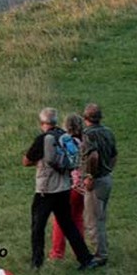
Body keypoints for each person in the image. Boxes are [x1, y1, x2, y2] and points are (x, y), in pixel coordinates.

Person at [22, 107, 98, 270]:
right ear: (55, 121)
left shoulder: (43, 138)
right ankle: (86, 259)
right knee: (68, 224)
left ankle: (36, 263)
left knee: (38, 227)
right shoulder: (64, 136)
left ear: (42, 123)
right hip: (64, 188)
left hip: (46, 190)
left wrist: (39, 162)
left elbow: (26, 161)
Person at [82, 103, 118, 266]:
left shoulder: (87, 134)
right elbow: (114, 155)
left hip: (96, 182)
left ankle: (99, 256)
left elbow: (93, 156)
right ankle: (103, 249)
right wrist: (108, 170)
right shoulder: (108, 132)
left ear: (85, 118)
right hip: (106, 178)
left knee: (93, 221)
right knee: (101, 218)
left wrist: (90, 176)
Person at [50, 113, 85, 260]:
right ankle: (81, 251)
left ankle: (57, 253)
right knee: (77, 218)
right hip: (83, 186)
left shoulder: (64, 141)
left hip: (67, 185)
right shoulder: (85, 142)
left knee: (60, 219)